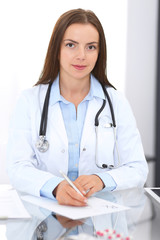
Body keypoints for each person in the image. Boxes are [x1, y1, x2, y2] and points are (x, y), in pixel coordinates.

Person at [7, 8, 148, 207]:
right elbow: (17, 167)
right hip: (45, 215)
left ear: (99, 53)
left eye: (91, 47)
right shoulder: (29, 101)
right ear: (57, 49)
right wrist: (55, 187)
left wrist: (101, 180)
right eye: (71, 45)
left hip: (100, 216)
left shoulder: (116, 102)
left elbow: (137, 169)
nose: (81, 55)